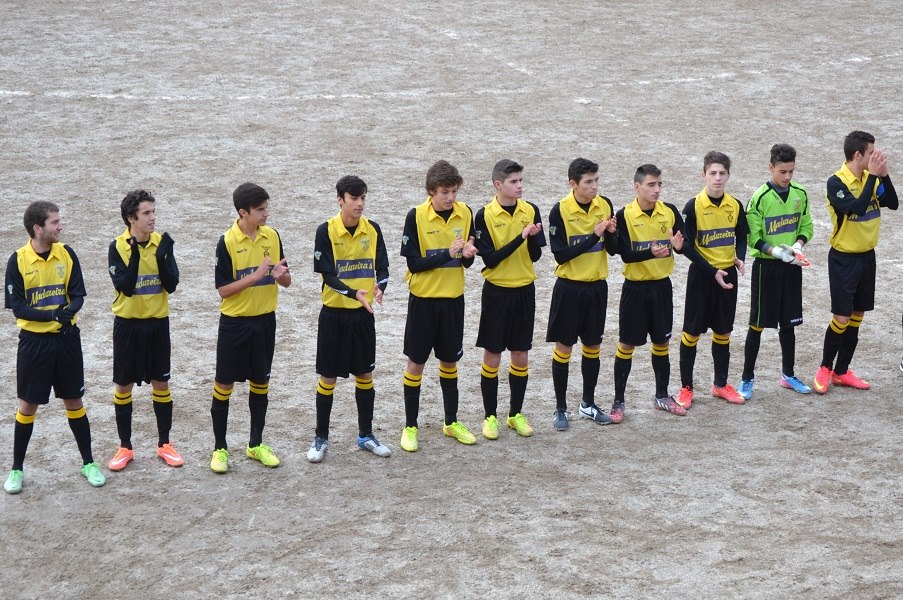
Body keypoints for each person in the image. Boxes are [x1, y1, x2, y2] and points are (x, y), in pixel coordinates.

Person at [3, 201, 105, 494]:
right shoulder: (18, 260)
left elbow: (78, 295)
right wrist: (52, 315)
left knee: (74, 401)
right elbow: (18, 308)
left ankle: (88, 463)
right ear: (38, 228)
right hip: (34, 343)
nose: (60, 226)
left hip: (66, 339)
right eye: (55, 222)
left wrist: (67, 313)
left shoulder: (67, 254)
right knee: (28, 405)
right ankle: (16, 469)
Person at [209, 183, 291, 473]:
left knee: (261, 383)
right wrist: (255, 277)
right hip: (234, 324)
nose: (266, 214)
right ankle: (220, 449)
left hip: (265, 322)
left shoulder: (272, 236)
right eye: (260, 210)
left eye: (266, 208)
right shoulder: (227, 242)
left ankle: (256, 444)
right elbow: (223, 290)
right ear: (243, 212)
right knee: (224, 386)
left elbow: (287, 280)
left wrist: (280, 277)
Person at [308, 175, 391, 463]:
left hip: (363, 316)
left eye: (363, 198)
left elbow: (383, 268)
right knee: (328, 377)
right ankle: (320, 438)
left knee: (365, 375)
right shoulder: (325, 231)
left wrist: (381, 286)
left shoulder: (373, 229)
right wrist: (354, 293)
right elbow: (328, 277)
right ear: (340, 200)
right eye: (354, 198)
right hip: (334, 316)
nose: (360, 203)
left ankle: (366, 435)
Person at [399, 161, 477, 451]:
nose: (451, 197)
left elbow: (466, 261)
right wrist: (448, 253)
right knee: (416, 363)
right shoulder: (416, 216)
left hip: (453, 301)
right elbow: (414, 264)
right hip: (424, 302)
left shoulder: (465, 213)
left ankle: (451, 422)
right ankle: (410, 426)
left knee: (449, 361)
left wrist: (468, 255)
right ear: (431, 191)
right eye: (445, 192)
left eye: (454, 191)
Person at [813, 131, 897, 393]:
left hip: (867, 257)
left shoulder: (870, 178)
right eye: (871, 153)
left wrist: (884, 175)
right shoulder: (836, 183)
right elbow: (857, 208)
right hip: (844, 259)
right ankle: (825, 367)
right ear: (858, 155)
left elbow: (893, 203)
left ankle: (842, 371)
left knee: (857, 314)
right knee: (841, 316)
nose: (875, 156)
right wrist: (873, 177)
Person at [107, 190, 183, 472]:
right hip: (128, 325)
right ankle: (125, 447)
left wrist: (163, 258)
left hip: (157, 324)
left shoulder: (162, 243)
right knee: (123, 386)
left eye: (154, 212)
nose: (153, 218)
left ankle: (165, 444)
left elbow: (171, 285)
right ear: (131, 218)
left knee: (161, 384)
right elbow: (126, 287)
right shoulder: (117, 247)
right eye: (146, 213)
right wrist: (137, 253)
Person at [610, 164, 690, 422]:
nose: (657, 190)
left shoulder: (670, 212)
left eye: (659, 185)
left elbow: (683, 244)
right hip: (634, 289)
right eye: (651, 185)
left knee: (662, 342)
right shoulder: (624, 215)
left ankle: (662, 396)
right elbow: (624, 254)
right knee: (627, 344)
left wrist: (679, 247)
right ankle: (618, 401)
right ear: (637, 187)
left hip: (661, 287)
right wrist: (650, 253)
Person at [473, 159, 546, 439]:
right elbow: (490, 259)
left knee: (521, 355)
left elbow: (536, 255)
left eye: (520, 181)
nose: (519, 186)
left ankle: (515, 414)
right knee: (493, 357)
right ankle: (490, 417)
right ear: (498, 184)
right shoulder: (484, 215)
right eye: (513, 182)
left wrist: (531, 239)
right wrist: (520, 237)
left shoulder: (531, 210)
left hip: (524, 290)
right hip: (497, 292)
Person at [737, 144, 813, 400]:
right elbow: (753, 238)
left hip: (791, 267)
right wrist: (776, 252)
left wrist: (797, 245)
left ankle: (788, 375)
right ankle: (747, 378)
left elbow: (807, 226)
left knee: (789, 324)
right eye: (783, 172)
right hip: (766, 268)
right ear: (771, 167)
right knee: (757, 325)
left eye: (791, 171)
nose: (788, 177)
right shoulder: (760, 198)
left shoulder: (800, 193)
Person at [547, 158, 618, 431]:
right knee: (564, 347)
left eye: (596, 180)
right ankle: (560, 408)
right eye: (588, 182)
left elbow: (612, 249)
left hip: (597, 287)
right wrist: (593, 236)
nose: (595, 186)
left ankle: (588, 403)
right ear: (573, 184)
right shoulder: (560, 211)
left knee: (592, 346)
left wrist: (611, 233)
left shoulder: (605, 205)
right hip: (569, 288)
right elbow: (560, 255)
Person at [676, 151, 749, 409]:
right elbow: (686, 247)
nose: (717, 178)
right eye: (712, 173)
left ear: (728, 175)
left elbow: (742, 235)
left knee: (723, 331)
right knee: (692, 332)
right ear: (703, 175)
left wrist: (740, 257)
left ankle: (720, 384)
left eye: (722, 173)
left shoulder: (735, 205)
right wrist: (710, 270)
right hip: (702, 276)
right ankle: (686, 388)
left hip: (727, 274)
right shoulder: (692, 207)